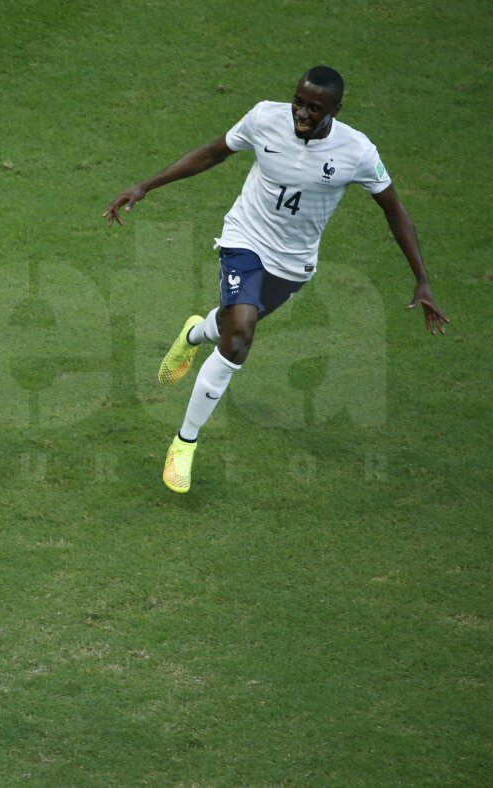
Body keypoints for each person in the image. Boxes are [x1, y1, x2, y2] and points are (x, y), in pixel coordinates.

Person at [104, 66, 449, 494]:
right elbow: (214, 152)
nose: (301, 113)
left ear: (336, 110)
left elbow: (393, 208)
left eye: (314, 108)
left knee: (230, 326)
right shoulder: (265, 117)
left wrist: (422, 279)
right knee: (239, 339)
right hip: (244, 239)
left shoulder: (356, 151)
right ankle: (183, 443)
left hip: (294, 263)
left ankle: (195, 332)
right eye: (299, 102)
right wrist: (147, 185)